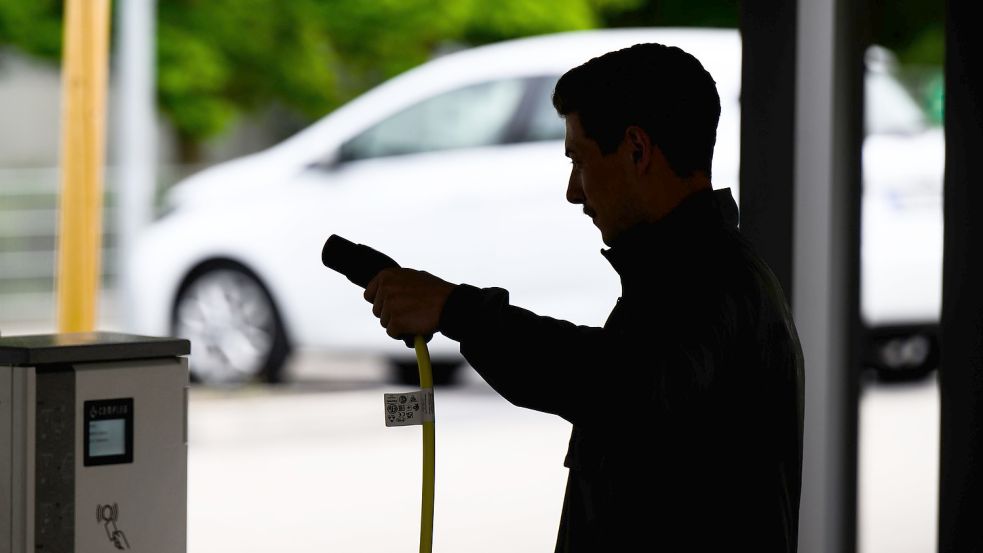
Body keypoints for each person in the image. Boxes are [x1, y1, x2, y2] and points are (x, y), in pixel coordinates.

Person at [363, 43, 804, 552]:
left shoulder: (709, 284)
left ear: (637, 150)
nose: (574, 191)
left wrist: (455, 310)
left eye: (580, 160)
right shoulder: (699, 277)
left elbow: (611, 382)